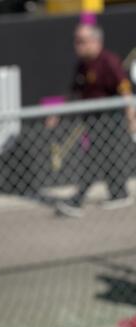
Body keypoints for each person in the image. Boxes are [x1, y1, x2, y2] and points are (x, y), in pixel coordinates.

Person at [51, 23, 136, 217]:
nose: (77, 45)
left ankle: (77, 200)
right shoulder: (82, 65)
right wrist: (57, 113)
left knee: (95, 158)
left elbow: (125, 90)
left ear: (95, 41)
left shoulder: (109, 61)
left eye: (82, 41)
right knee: (107, 158)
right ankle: (119, 194)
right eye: (76, 41)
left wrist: (131, 117)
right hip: (92, 119)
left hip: (109, 119)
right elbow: (74, 91)